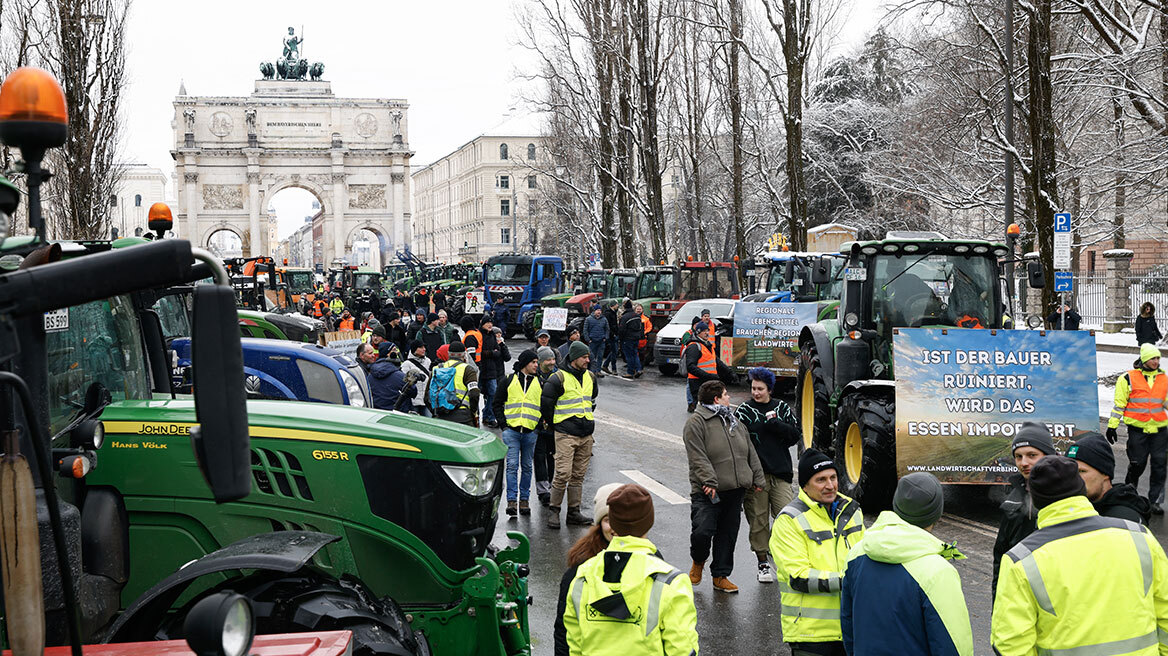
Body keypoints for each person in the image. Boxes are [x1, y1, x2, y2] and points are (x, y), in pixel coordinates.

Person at [990, 456, 1168, 655]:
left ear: (1036, 499)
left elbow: (1011, 644)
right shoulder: (1139, 537)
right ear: (1081, 491)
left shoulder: (1021, 560)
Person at [841, 473, 973, 656]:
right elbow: (953, 645)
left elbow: (848, 624)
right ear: (937, 514)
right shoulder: (937, 571)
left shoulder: (857, 553)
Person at [562, 484, 699, 656]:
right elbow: (682, 649)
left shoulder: (583, 576)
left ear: (613, 522)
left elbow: (574, 644)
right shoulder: (671, 581)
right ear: (649, 522)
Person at [770, 448, 865, 656]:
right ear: (805, 485)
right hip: (811, 635)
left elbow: (865, 558)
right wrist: (848, 580)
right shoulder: (789, 520)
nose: (830, 486)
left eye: (833, 477)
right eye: (821, 480)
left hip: (852, 628)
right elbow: (798, 577)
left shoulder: (852, 511)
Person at [684, 379, 763, 594]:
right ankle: (698, 561)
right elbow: (697, 456)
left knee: (727, 534)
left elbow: (749, 452)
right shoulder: (697, 422)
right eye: (727, 394)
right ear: (716, 398)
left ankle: (720, 575)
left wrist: (757, 477)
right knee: (702, 531)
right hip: (708, 491)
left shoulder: (733, 421)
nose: (730, 398)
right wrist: (708, 481)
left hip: (734, 488)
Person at [735, 367, 800, 583]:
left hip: (780, 473)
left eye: (760, 389)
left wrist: (775, 424)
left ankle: (782, 553)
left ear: (769, 389)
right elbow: (736, 440)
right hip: (756, 476)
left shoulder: (781, 407)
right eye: (753, 388)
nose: (756, 392)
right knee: (758, 520)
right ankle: (762, 562)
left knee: (786, 517)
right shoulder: (744, 411)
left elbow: (794, 436)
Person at [554, 482, 622, 656]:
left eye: (621, 520)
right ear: (599, 523)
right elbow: (564, 629)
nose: (615, 527)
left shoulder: (650, 562)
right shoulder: (581, 567)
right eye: (608, 520)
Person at [992, 422, 1056, 601]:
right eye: (1018, 457)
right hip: (1018, 596)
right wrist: (998, 604)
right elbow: (1001, 559)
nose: (1024, 463)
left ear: (1048, 456)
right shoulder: (1013, 497)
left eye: (1032, 455)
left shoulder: (1065, 495)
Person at [541, 340, 599, 529]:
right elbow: (546, 405)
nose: (588, 360)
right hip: (566, 433)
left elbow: (591, 399)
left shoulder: (590, 376)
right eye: (584, 357)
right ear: (574, 358)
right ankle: (554, 510)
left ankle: (573, 511)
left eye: (588, 356)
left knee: (578, 475)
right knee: (563, 473)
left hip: (585, 433)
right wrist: (556, 425)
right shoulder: (558, 378)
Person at [1108, 343, 1168, 514]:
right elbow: (1120, 404)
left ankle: (1155, 501)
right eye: (1153, 358)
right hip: (1137, 430)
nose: (1156, 361)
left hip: (1159, 430)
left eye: (1158, 358)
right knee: (1137, 464)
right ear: (1144, 359)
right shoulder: (1127, 378)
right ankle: (1129, 492)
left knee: (1159, 466)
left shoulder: (1162, 378)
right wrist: (1112, 426)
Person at [494, 349, 542, 516]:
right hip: (512, 431)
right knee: (512, 466)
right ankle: (512, 501)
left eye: (537, 362)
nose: (537, 365)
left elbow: (544, 406)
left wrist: (538, 428)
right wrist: (504, 426)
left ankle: (524, 501)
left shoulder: (540, 382)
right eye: (533, 362)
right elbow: (497, 403)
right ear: (524, 364)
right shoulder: (508, 380)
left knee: (528, 467)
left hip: (530, 432)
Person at [1067, 431, 1151, 523]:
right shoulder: (1081, 506)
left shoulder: (1123, 520)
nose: (1073, 477)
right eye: (1069, 471)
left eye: (1082, 471)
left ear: (1105, 473)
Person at [426, 341, 480, 427]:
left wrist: (436, 411)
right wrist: (472, 411)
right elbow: (474, 393)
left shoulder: (436, 369)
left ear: (448, 354)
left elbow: (427, 396)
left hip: (441, 415)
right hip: (462, 415)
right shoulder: (468, 369)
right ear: (463, 354)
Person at [683, 321, 732, 413]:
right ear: (698, 332)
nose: (707, 333)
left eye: (708, 330)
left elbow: (718, 362)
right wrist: (708, 375)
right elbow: (690, 367)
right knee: (700, 410)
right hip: (697, 383)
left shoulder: (708, 345)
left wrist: (730, 372)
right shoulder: (694, 346)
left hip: (709, 381)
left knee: (709, 408)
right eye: (704, 331)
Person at [534, 345, 560, 506]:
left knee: (552, 456)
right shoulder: (533, 376)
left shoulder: (558, 377)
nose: (552, 362)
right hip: (536, 423)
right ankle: (543, 490)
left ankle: (550, 484)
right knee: (539, 456)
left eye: (553, 359)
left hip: (553, 423)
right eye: (548, 360)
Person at [474, 316, 503, 428]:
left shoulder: (492, 335)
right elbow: (480, 352)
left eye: (491, 322)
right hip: (481, 369)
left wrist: (490, 353)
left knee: (493, 393)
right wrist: (491, 353)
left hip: (491, 370)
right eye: (488, 323)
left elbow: (498, 352)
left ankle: (489, 416)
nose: (490, 325)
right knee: (477, 394)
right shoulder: (479, 335)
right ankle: (478, 416)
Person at [368, 345, 407, 410]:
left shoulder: (370, 376)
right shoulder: (398, 375)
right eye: (394, 350)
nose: (397, 352)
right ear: (388, 354)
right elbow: (413, 390)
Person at [399, 340, 432, 417]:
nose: (424, 349)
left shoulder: (428, 361)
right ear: (414, 349)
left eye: (424, 347)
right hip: (413, 401)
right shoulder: (407, 364)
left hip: (426, 400)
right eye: (421, 347)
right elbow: (404, 381)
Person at [618, 300, 644, 378]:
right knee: (635, 354)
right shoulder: (637, 316)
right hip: (636, 338)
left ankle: (630, 372)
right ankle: (638, 369)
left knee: (629, 356)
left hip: (627, 339)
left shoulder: (625, 317)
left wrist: (620, 339)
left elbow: (621, 330)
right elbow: (641, 328)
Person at [583, 305, 608, 377]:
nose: (599, 312)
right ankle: (591, 371)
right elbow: (585, 330)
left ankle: (598, 371)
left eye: (600, 310)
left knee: (600, 356)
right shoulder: (588, 319)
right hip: (592, 341)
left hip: (601, 341)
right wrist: (588, 339)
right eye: (597, 310)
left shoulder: (604, 319)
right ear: (594, 311)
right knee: (591, 356)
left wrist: (605, 338)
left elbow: (607, 329)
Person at [601, 300, 620, 375]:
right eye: (617, 304)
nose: (618, 306)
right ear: (613, 305)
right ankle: (613, 368)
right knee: (614, 351)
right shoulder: (608, 314)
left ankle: (605, 365)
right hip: (611, 335)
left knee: (614, 351)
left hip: (613, 334)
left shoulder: (613, 313)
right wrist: (613, 334)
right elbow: (608, 326)